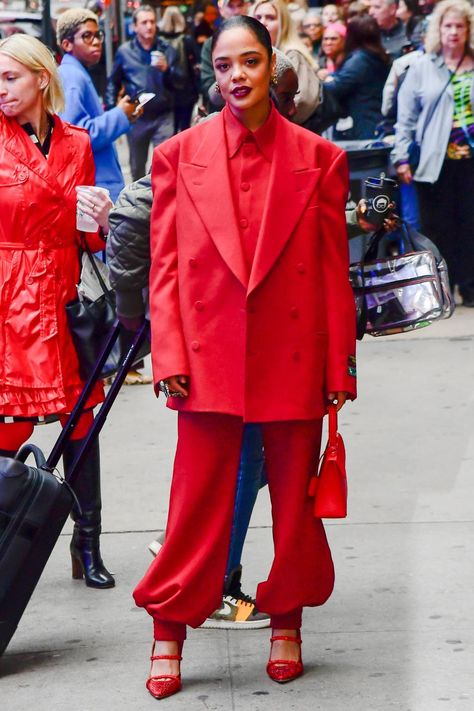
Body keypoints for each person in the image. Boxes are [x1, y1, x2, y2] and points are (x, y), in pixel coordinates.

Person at [132, 15, 356, 699]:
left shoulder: (320, 157)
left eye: (250, 62)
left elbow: (329, 270)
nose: (237, 76)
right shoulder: (176, 155)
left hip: (291, 352)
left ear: (272, 70)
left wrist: (338, 365)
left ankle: (285, 618)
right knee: (195, 502)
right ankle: (168, 626)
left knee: (293, 500)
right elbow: (164, 269)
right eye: (225, 65)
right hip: (206, 355)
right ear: (213, 73)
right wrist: (167, 349)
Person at [0, 33, 114, 588]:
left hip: (65, 298)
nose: (1, 89)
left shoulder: (76, 143)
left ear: (42, 78)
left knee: (81, 426)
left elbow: (88, 237)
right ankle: (6, 545)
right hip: (9, 300)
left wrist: (100, 215)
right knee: (8, 425)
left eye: (10, 77)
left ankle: (86, 544)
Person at [393, 0, 474, 306]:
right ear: (438, 30)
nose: (453, 32)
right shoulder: (422, 67)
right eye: (448, 26)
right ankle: (442, 291)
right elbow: (406, 119)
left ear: (468, 30)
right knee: (437, 228)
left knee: (470, 226)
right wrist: (401, 157)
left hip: (470, 161)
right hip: (433, 162)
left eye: (459, 26)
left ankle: (470, 288)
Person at [56, 9, 136, 203]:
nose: (96, 41)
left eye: (97, 34)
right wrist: (120, 115)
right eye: (86, 36)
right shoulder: (71, 76)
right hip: (95, 188)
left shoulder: (76, 72)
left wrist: (124, 114)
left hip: (96, 185)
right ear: (67, 44)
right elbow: (76, 137)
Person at [106, 5, 185, 181]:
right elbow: (113, 82)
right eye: (144, 22)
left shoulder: (167, 49)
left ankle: (162, 203)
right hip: (137, 117)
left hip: (164, 115)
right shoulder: (125, 52)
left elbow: (182, 81)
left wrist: (168, 69)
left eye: (152, 22)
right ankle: (138, 206)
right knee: (137, 167)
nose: (149, 26)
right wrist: (114, 112)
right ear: (134, 27)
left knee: (165, 164)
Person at [251, 0, 321, 125]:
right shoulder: (251, 57)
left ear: (283, 24)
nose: (262, 22)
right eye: (258, 17)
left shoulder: (292, 54)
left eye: (270, 18)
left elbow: (302, 102)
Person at [322, 14, 391, 139]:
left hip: (362, 123)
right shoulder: (380, 55)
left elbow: (338, 87)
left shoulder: (359, 60)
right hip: (375, 119)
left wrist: (319, 84)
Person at [200, 0, 250, 111]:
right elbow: (207, 86)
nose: (236, 11)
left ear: (247, 7)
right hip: (222, 111)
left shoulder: (257, 40)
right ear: (222, 11)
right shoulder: (211, 44)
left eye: (240, 5)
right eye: (231, 6)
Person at [158, 6, 200, 133]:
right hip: (186, 91)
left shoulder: (159, 42)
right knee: (185, 128)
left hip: (166, 91)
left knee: (169, 130)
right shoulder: (187, 40)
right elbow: (197, 64)